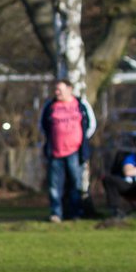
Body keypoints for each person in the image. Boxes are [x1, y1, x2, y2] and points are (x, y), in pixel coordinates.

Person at [39, 78, 96, 222]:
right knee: (54, 186)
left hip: (75, 152)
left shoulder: (81, 104)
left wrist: (81, 141)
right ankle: (56, 213)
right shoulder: (51, 105)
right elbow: (43, 125)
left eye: (60, 90)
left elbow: (91, 125)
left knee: (75, 184)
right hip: (55, 152)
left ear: (69, 89)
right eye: (56, 90)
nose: (57, 92)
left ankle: (75, 213)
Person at [101, 136, 136, 224]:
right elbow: (128, 172)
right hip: (129, 186)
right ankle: (116, 212)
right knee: (108, 179)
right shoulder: (131, 157)